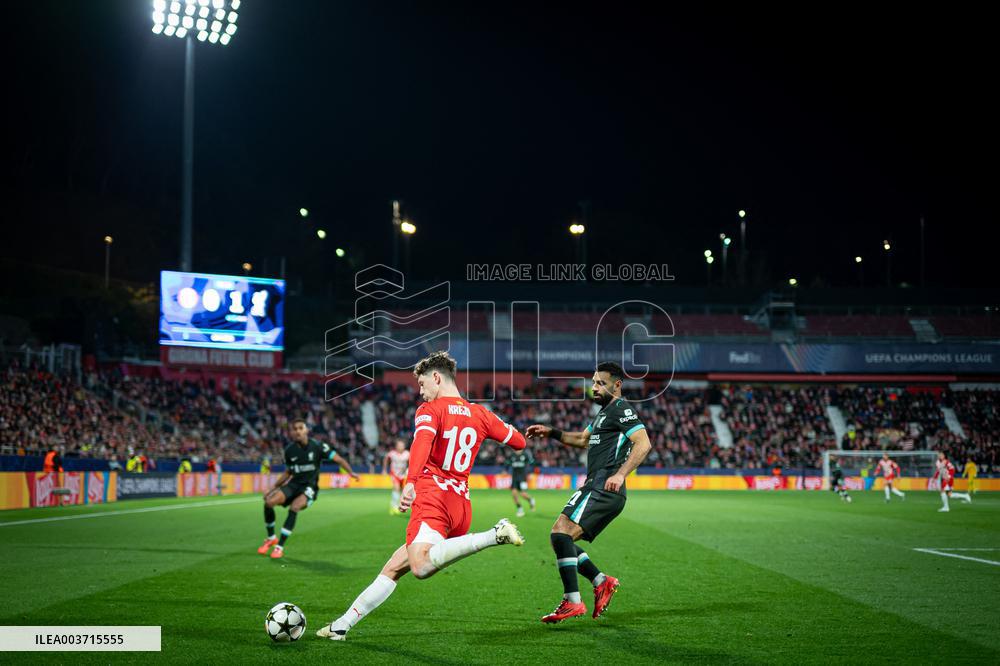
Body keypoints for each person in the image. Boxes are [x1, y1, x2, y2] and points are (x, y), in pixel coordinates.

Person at [317, 351, 527, 641]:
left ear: (437, 378)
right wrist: (494, 422)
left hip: (433, 498)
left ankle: (494, 535)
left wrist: (410, 481)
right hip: (461, 506)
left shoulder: (430, 410)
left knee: (420, 565)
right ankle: (342, 625)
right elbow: (518, 441)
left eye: (422, 384)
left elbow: (422, 442)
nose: (421, 391)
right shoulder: (481, 414)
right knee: (394, 567)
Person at [526, 361, 652, 623]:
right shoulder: (604, 412)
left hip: (604, 486)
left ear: (617, 385)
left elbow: (644, 443)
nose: (594, 387)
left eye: (600, 383)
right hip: (596, 485)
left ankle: (573, 601)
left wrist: (620, 474)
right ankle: (601, 581)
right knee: (561, 539)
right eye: (593, 382)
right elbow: (582, 440)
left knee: (560, 532)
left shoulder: (621, 408)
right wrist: (551, 432)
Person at [258, 419, 360, 559]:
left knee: (294, 507)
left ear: (306, 430)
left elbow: (339, 460)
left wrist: (350, 472)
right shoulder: (289, 451)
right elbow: (289, 472)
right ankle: (271, 538)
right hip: (294, 484)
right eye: (295, 429)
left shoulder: (318, 446)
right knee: (269, 502)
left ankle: (279, 546)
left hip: (309, 488)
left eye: (301, 428)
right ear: (291, 433)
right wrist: (272, 488)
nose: (298, 431)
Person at [506, 447, 536, 517]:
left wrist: (531, 472)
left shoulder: (525, 455)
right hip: (514, 478)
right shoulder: (512, 455)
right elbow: (507, 463)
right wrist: (505, 470)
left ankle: (530, 499)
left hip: (523, 478)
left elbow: (532, 463)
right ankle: (520, 509)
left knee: (523, 495)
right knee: (514, 494)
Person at [383, 438, 410, 515]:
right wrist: (384, 469)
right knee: (397, 488)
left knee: (402, 491)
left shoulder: (407, 454)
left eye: (402, 445)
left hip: (403, 475)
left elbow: (411, 461)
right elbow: (386, 459)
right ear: (396, 446)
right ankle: (394, 507)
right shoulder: (392, 453)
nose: (401, 447)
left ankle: (393, 505)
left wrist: (409, 469)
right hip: (394, 474)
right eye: (399, 445)